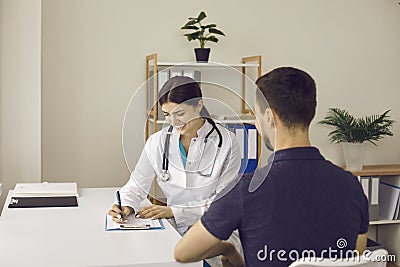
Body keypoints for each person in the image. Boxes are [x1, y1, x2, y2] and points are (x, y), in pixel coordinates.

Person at [174, 67, 369, 267]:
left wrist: (229, 249)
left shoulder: (246, 189)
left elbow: (183, 253)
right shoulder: (351, 185)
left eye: (257, 117)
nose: (257, 126)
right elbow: (356, 254)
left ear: (269, 117)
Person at [108, 76, 242, 261]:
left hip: (216, 232)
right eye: (167, 114)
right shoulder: (157, 142)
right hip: (174, 230)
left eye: (180, 113)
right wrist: (124, 205)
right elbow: (136, 186)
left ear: (198, 106)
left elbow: (223, 203)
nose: (173, 122)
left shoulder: (227, 142)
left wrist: (174, 211)